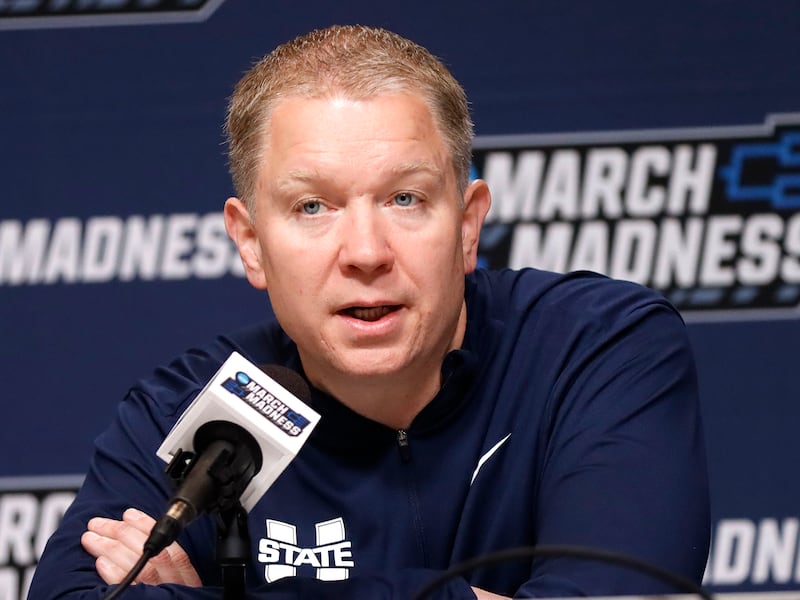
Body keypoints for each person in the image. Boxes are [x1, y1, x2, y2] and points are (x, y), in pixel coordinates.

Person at [29, 24, 710, 600]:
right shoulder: (189, 410)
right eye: (312, 207)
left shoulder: (592, 346)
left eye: (405, 199)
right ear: (252, 244)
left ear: (469, 226)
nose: (365, 251)